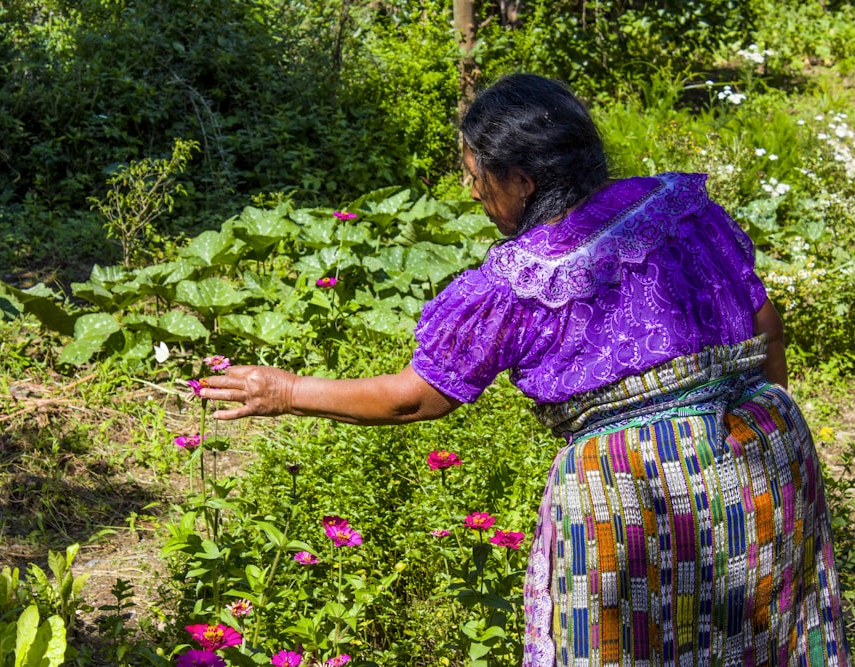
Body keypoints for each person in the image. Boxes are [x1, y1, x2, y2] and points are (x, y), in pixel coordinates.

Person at [200, 73, 851, 667]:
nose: (473, 190)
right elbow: (762, 314)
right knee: (760, 635)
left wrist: (285, 389)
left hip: (627, 493)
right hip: (761, 445)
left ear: (522, 181)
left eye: (475, 172)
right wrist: (753, 421)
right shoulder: (677, 207)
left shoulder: (522, 280)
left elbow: (412, 398)